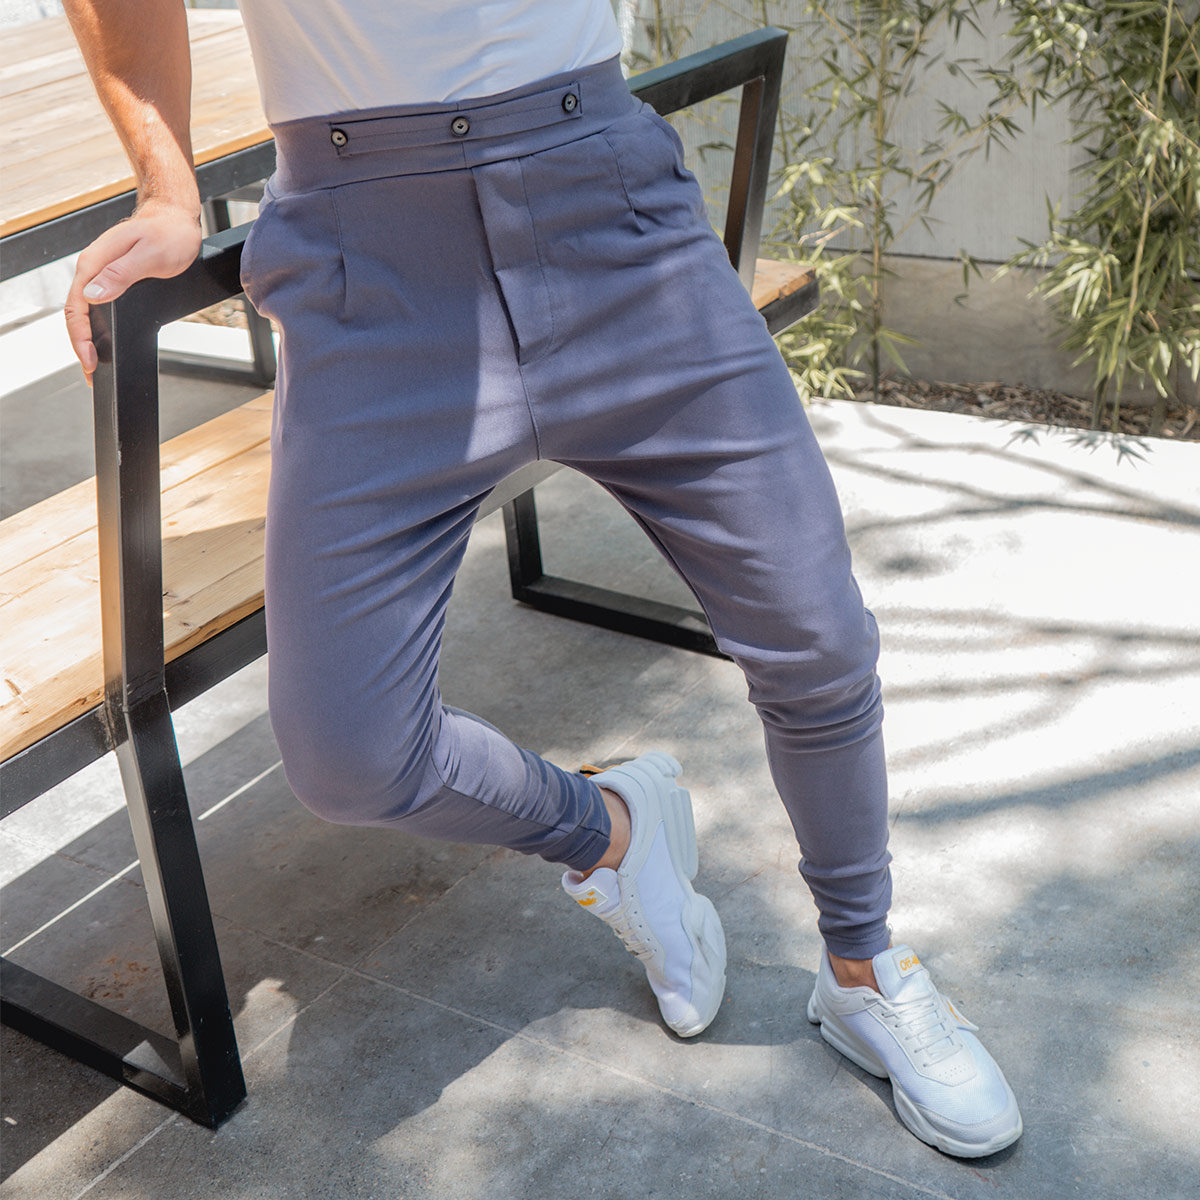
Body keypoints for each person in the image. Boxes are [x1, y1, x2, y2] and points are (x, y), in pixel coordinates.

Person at [62, 0, 1022, 1158]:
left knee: (816, 633)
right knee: (347, 756)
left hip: (608, 214)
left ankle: (863, 970)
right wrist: (167, 186)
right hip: (370, 265)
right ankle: (609, 830)